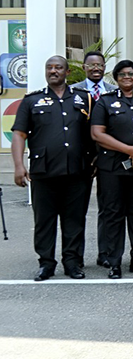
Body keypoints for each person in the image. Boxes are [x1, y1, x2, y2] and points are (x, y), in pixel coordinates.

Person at [11, 56, 94, 281]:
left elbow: (95, 132)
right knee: (44, 220)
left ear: (67, 72)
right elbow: (19, 134)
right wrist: (18, 166)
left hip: (78, 171)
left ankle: (72, 262)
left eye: (58, 67)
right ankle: (46, 263)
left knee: (75, 219)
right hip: (43, 172)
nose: (53, 71)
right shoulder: (31, 101)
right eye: (49, 68)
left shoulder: (84, 99)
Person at [90, 60, 133, 279]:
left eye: (131, 74)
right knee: (113, 214)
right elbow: (97, 134)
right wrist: (129, 149)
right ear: (116, 78)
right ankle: (114, 261)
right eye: (122, 74)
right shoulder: (105, 102)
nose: (127, 77)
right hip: (111, 168)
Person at [70, 51, 116, 269]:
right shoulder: (73, 92)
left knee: (107, 207)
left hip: (107, 157)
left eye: (100, 65)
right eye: (91, 65)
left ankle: (105, 253)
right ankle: (75, 257)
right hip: (80, 158)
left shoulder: (114, 92)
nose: (96, 68)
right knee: (77, 210)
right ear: (84, 67)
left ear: (105, 67)